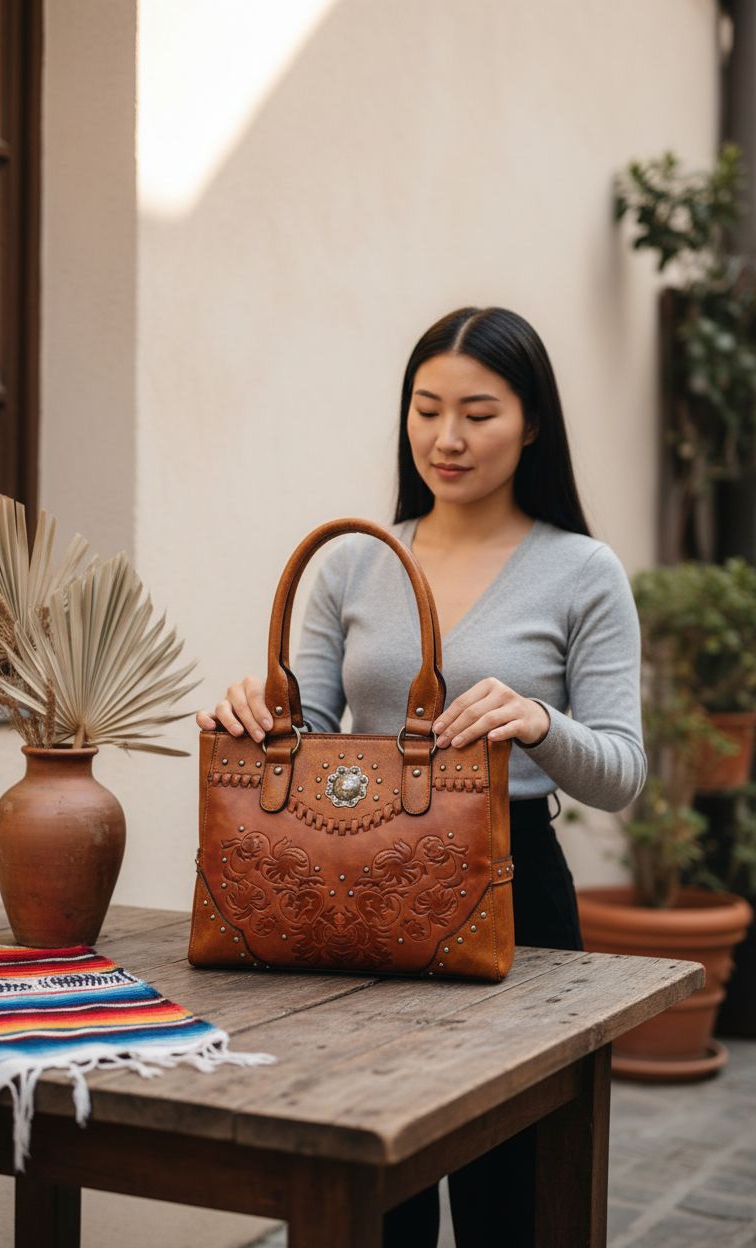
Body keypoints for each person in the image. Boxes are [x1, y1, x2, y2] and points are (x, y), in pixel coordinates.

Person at [196, 305, 647, 1247]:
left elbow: (621, 773)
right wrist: (256, 715)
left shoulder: (581, 570)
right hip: (360, 885)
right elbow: (310, 732)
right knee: (374, 1192)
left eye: (479, 412)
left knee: (508, 1198)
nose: (447, 437)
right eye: (426, 407)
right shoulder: (357, 559)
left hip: (515, 896)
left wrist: (538, 722)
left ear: (532, 423)